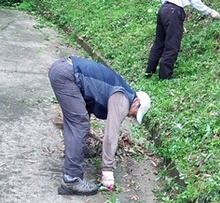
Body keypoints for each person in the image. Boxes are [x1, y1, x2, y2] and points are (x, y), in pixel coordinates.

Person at [48, 56, 152, 196]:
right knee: (79, 123)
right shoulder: (123, 99)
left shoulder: (119, 89)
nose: (130, 116)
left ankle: (76, 152)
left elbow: (87, 103)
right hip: (67, 74)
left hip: (62, 69)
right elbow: (111, 134)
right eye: (134, 114)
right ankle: (71, 180)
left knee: (76, 120)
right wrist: (107, 169)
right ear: (136, 102)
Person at [146, 0, 220, 80]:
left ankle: (149, 71)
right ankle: (165, 76)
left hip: (163, 9)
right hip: (174, 11)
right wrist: (211, 12)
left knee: (159, 42)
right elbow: (196, 3)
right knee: (172, 45)